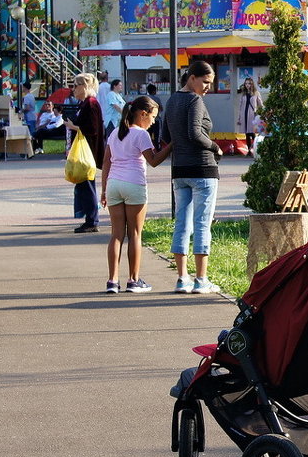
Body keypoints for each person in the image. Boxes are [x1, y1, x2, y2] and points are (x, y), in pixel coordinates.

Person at [162, 61, 222, 294]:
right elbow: (195, 133)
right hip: (202, 169)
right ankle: (201, 279)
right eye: (205, 82)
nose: (208, 87)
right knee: (202, 224)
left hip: (179, 170)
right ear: (192, 78)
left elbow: (166, 135)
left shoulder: (172, 101)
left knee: (182, 223)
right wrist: (215, 147)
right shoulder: (195, 100)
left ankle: (182, 278)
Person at [100, 96, 171, 294]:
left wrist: (104, 189)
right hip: (134, 184)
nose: (154, 121)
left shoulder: (115, 133)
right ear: (142, 114)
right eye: (153, 117)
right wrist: (171, 145)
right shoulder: (141, 134)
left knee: (116, 234)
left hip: (113, 184)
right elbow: (154, 160)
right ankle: (133, 280)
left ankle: (112, 281)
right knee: (135, 234)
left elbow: (106, 162)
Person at [63, 73, 103, 233]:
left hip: (87, 153)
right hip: (83, 152)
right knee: (84, 185)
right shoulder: (85, 103)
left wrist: (74, 127)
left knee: (87, 185)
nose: (73, 89)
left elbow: (92, 129)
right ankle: (89, 218)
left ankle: (92, 220)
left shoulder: (91, 103)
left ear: (85, 86)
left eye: (75, 85)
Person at [235, 76, 263, 156]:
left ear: (252, 84)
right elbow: (240, 106)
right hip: (244, 115)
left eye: (249, 83)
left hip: (252, 115)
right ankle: (249, 150)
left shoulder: (256, 93)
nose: (247, 85)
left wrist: (262, 113)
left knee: (253, 133)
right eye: (246, 83)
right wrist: (239, 118)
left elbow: (260, 104)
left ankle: (255, 150)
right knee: (247, 134)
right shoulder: (243, 94)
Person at [145, 83, 163, 147]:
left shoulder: (145, 98)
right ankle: (157, 148)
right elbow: (161, 108)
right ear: (154, 91)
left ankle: (149, 147)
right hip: (156, 119)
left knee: (148, 135)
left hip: (147, 120)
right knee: (157, 135)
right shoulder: (157, 99)